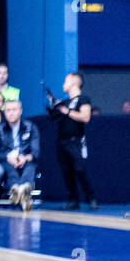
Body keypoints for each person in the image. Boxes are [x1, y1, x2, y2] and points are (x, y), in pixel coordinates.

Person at [47, 72, 96, 210]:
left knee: (80, 169)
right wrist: (53, 107)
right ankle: (73, 200)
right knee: (66, 171)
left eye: (65, 81)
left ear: (74, 82)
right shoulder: (64, 102)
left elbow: (85, 117)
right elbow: (55, 118)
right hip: (61, 140)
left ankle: (91, 197)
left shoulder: (83, 99)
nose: (63, 84)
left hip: (75, 140)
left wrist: (66, 111)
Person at [0, 98, 39, 211]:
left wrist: (25, 157)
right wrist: (8, 157)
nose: (11, 113)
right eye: (8, 110)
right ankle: (21, 192)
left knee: (30, 164)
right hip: (6, 160)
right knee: (9, 168)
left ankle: (20, 190)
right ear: (4, 112)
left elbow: (35, 150)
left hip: (25, 159)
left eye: (14, 109)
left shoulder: (30, 126)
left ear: (20, 111)